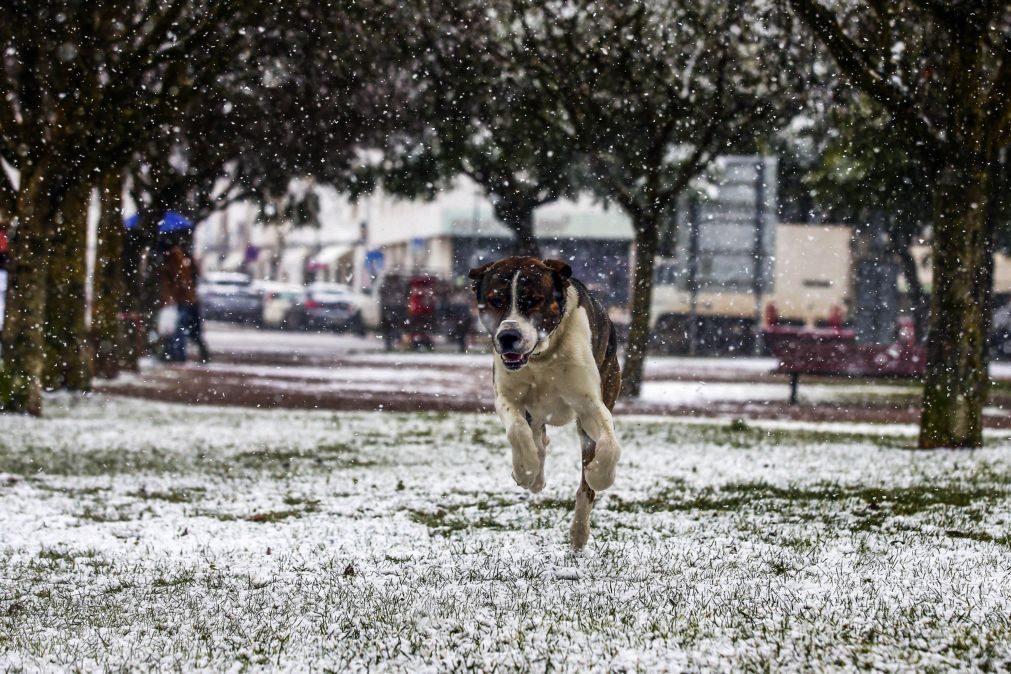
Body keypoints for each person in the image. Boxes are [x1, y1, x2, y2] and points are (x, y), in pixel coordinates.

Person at [160, 245, 210, 363]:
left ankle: (177, 355)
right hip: (186, 301)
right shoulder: (182, 263)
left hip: (185, 302)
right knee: (187, 330)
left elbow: (180, 284)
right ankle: (178, 354)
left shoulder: (176, 264)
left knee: (182, 329)